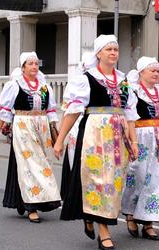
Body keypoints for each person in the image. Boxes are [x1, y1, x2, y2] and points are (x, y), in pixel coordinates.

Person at [54, 34, 139, 250]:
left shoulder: (123, 81)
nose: (113, 53)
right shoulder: (86, 78)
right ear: (98, 53)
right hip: (95, 134)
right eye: (108, 49)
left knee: (114, 181)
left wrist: (134, 141)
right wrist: (60, 139)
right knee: (99, 180)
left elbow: (130, 113)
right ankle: (104, 231)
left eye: (115, 50)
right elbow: (72, 112)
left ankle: (91, 216)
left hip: (118, 138)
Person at [0, 52, 61, 223]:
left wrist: (56, 134)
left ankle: (34, 199)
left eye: (36, 64)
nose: (34, 67)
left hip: (42, 127)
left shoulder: (45, 87)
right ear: (23, 67)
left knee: (43, 164)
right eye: (30, 64)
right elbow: (5, 110)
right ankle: (31, 207)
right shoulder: (15, 85)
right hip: (23, 126)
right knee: (29, 166)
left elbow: (51, 111)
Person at [121, 57, 159, 241]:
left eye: (157, 71)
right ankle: (130, 213)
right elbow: (129, 119)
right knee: (138, 175)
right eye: (151, 70)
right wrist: (130, 141)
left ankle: (149, 222)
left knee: (157, 180)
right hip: (141, 137)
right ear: (141, 72)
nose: (155, 73)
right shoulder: (133, 91)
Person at [60, 51, 97, 201]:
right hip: (78, 125)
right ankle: (76, 192)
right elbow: (67, 110)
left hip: (97, 126)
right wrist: (60, 136)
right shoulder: (77, 83)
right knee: (77, 158)